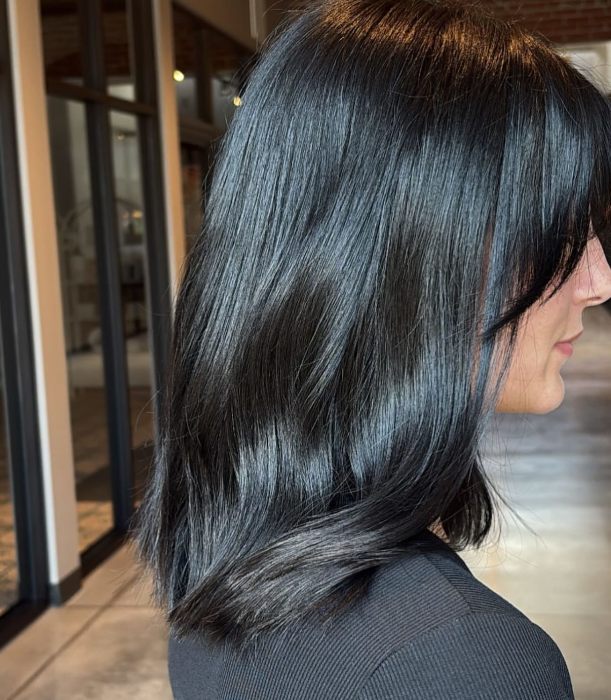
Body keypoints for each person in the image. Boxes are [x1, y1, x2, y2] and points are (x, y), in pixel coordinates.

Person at [133, 0, 611, 697]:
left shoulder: (231, 540)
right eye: (556, 231)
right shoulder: (462, 661)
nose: (598, 280)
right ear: (402, 255)